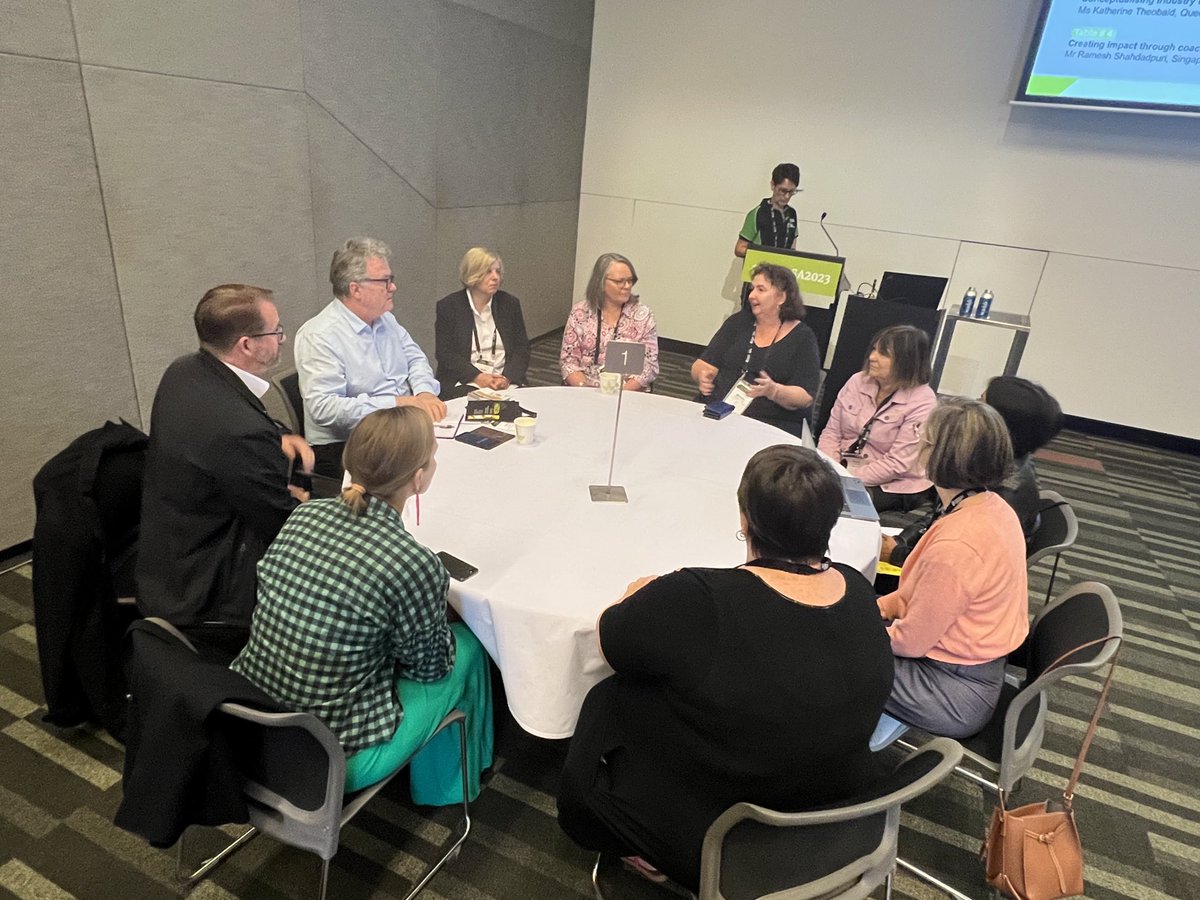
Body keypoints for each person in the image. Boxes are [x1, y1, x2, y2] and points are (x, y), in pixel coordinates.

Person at [557, 446, 894, 892]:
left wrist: (641, 594)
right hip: (836, 816)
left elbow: (611, 639)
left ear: (745, 520)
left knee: (610, 695)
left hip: (729, 835)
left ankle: (647, 847)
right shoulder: (855, 587)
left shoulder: (700, 599)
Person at [231, 407, 493, 800]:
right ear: (419, 479)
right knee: (470, 648)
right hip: (331, 755)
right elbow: (430, 668)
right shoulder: (412, 562)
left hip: (250, 722)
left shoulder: (305, 515)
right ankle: (450, 790)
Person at [137, 284, 312, 657]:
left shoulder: (185, 371)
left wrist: (277, 436)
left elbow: (229, 429)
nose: (282, 339)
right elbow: (283, 527)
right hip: (206, 586)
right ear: (247, 345)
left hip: (167, 547)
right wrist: (298, 499)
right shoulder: (238, 431)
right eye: (276, 331)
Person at [877, 399, 1029, 739]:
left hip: (951, 689)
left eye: (924, 437)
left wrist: (848, 630)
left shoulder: (956, 548)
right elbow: (920, 596)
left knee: (825, 657)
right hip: (965, 666)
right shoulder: (991, 507)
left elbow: (909, 642)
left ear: (938, 455)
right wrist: (875, 609)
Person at [294, 237, 448, 478]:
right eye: (385, 281)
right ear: (356, 289)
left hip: (399, 425)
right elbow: (324, 409)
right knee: (432, 473)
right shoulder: (319, 335)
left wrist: (424, 392)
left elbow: (416, 359)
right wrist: (397, 403)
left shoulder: (386, 319)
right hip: (350, 443)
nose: (393, 287)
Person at [882, 375, 1064, 567]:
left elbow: (955, 564)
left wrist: (897, 554)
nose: (972, 409)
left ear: (997, 425)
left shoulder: (1000, 501)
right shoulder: (995, 463)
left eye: (981, 405)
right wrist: (902, 542)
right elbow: (941, 513)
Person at [691, 263, 821, 436]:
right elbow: (701, 365)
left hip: (770, 424)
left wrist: (774, 391)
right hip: (720, 412)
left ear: (781, 297)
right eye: (752, 289)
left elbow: (805, 397)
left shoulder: (803, 337)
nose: (752, 295)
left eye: (761, 289)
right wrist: (702, 376)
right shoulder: (737, 322)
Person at [818, 325, 937, 512]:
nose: (872, 357)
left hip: (893, 483)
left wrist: (846, 479)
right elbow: (832, 432)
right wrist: (829, 467)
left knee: (835, 502)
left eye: (884, 354)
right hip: (842, 468)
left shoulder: (923, 401)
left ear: (906, 362)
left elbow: (897, 464)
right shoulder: (857, 381)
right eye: (874, 349)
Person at [434, 247, 530, 399]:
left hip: (504, 381)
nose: (495, 277)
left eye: (497, 272)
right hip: (467, 381)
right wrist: (479, 377)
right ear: (472, 274)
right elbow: (445, 354)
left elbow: (522, 349)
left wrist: (506, 378)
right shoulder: (449, 306)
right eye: (488, 272)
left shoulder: (509, 304)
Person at [560, 253, 659, 390]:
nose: (627, 286)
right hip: (584, 390)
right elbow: (568, 362)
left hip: (626, 393)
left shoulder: (643, 316)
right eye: (620, 281)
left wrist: (619, 395)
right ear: (600, 283)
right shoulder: (580, 312)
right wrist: (584, 390)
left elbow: (648, 367)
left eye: (630, 281)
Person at [733, 162, 801, 259]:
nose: (786, 196)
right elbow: (739, 248)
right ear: (773, 185)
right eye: (783, 190)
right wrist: (766, 255)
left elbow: (792, 248)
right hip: (761, 269)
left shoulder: (792, 214)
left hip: (782, 271)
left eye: (791, 192)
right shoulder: (758, 213)